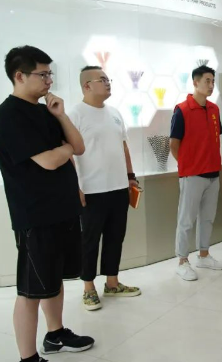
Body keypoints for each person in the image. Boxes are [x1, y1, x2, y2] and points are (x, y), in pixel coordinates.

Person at [0, 46, 94, 362]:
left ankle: (55, 333)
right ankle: (28, 357)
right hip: (35, 215)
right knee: (30, 291)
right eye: (43, 74)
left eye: (50, 74)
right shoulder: (8, 115)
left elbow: (78, 146)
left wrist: (61, 115)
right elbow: (49, 161)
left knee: (55, 278)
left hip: (63, 209)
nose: (49, 80)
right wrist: (64, 150)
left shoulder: (47, 110)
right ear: (19, 76)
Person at [69, 66, 141, 312]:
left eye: (108, 79)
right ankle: (88, 288)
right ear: (86, 86)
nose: (108, 83)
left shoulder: (115, 113)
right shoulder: (75, 114)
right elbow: (69, 154)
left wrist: (130, 177)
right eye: (102, 79)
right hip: (91, 190)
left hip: (119, 187)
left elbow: (124, 147)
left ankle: (112, 283)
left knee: (115, 237)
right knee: (89, 240)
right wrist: (74, 186)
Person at [170, 65, 222, 281]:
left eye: (213, 81)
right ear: (195, 82)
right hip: (192, 175)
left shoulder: (214, 109)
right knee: (186, 220)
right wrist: (187, 165)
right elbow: (173, 144)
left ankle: (204, 255)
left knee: (207, 218)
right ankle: (182, 261)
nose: (211, 85)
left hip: (213, 173)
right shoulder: (182, 110)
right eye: (207, 81)